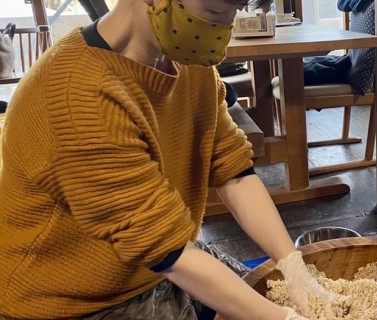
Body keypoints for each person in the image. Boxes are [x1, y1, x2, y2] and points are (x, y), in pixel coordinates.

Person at [0, 0, 335, 319]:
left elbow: (234, 172)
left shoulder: (188, 64)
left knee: (266, 294)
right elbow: (164, 248)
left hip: (156, 264)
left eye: (234, 11)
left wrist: (292, 265)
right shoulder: (79, 96)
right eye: (214, 10)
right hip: (72, 301)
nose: (223, 29)